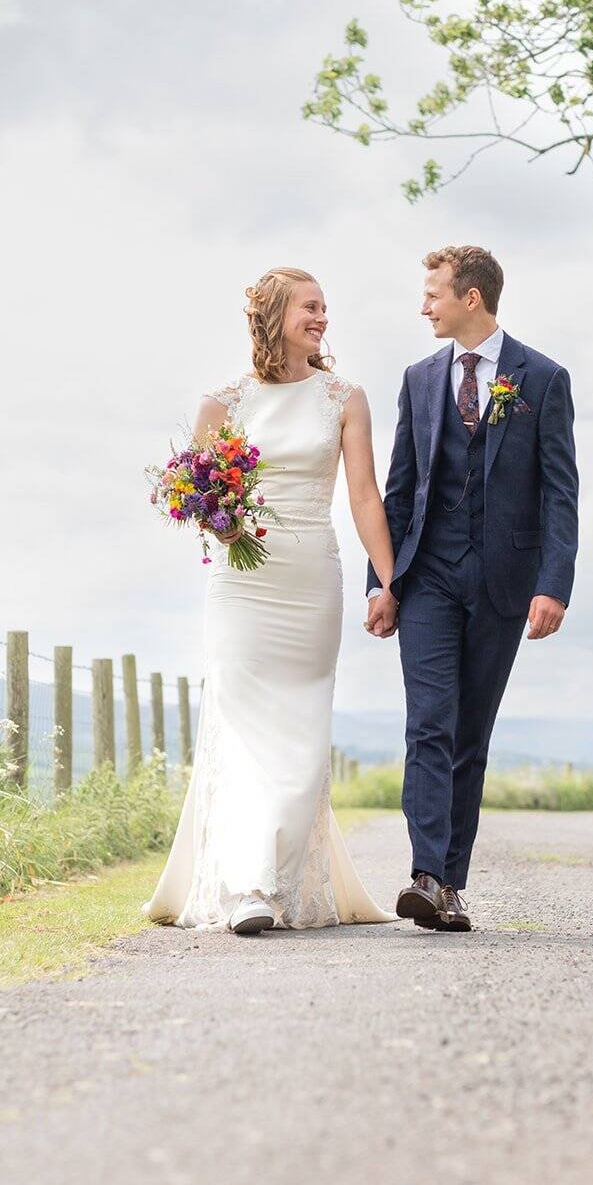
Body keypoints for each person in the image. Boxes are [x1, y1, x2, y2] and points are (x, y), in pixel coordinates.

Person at [147, 267, 393, 934]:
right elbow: (192, 498)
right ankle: (247, 886)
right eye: (310, 307)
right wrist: (216, 517)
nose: (321, 318)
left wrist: (387, 578)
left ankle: (275, 880)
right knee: (243, 725)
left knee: (300, 733)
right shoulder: (222, 402)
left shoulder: (344, 397)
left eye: (325, 309)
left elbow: (364, 496)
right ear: (275, 314)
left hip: (310, 578)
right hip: (241, 582)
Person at [366, 245, 578, 933]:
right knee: (427, 722)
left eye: (432, 294)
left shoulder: (540, 378)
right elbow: (400, 487)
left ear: (471, 299)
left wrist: (553, 584)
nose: (422, 306)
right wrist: (381, 581)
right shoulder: (418, 378)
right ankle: (424, 874)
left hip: (503, 581)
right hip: (425, 574)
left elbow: (559, 493)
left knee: (469, 734)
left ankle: (451, 883)